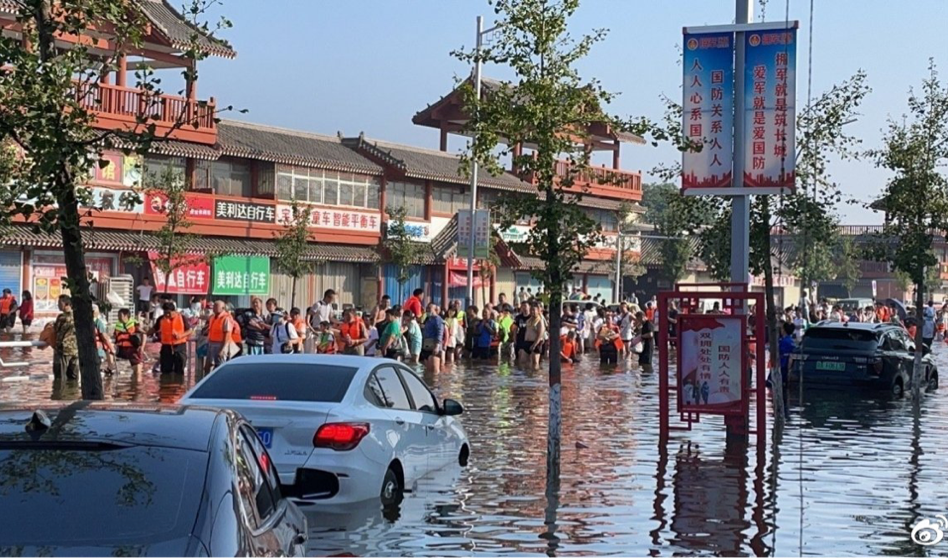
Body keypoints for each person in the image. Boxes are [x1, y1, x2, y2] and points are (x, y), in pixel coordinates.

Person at [153, 301, 190, 375]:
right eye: (165, 312)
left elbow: (190, 330)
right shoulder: (161, 319)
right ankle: (166, 385)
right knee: (165, 370)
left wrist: (180, 335)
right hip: (166, 347)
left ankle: (179, 385)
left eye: (169, 312)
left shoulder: (182, 318)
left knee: (179, 369)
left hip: (180, 346)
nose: (167, 314)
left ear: (174, 311)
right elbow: (154, 329)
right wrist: (144, 333)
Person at [53, 295, 79, 380]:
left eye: (60, 303)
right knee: (74, 377)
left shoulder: (62, 317)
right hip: (75, 349)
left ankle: (61, 393)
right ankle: (72, 393)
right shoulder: (77, 316)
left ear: (66, 304)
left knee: (60, 377)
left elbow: (55, 330)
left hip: (63, 349)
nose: (58, 305)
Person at [113, 308, 143, 375]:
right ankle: (111, 369)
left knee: (137, 371)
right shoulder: (118, 325)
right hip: (121, 349)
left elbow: (144, 334)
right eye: (118, 316)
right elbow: (115, 336)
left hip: (133, 349)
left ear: (126, 315)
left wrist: (142, 346)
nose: (118, 317)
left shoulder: (134, 324)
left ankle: (136, 383)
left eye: (120, 315)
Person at [207, 300, 234, 368]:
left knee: (220, 365)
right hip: (212, 344)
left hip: (221, 344)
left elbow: (227, 334)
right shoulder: (213, 317)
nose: (214, 308)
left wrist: (222, 349)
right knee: (210, 365)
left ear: (223, 308)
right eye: (214, 306)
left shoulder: (226, 318)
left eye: (216, 306)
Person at [421, 303, 445, 372]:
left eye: (430, 308)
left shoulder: (438, 319)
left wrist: (437, 345)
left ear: (435, 309)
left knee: (435, 369)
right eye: (427, 308)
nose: (428, 310)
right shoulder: (428, 319)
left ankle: (436, 382)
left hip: (434, 345)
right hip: (427, 345)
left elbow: (440, 332)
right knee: (428, 369)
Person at [93, 306, 116, 375]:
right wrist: (112, 348)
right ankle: (110, 368)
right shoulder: (98, 322)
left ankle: (110, 368)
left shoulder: (84, 322)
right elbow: (104, 337)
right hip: (97, 350)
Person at [524, 303, 546, 368]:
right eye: (531, 310)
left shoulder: (540, 320)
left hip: (536, 343)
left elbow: (540, 333)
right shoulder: (529, 320)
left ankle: (536, 376)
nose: (532, 311)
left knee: (535, 362)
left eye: (534, 310)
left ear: (538, 311)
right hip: (527, 342)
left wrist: (534, 344)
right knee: (525, 360)